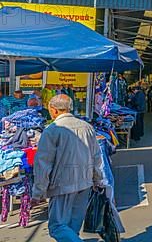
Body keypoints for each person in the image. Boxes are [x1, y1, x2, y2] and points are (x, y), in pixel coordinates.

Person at [32, 95, 104, 242]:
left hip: (62, 183)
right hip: (84, 181)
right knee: (72, 227)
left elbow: (43, 165)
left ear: (54, 110)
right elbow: (96, 157)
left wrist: (38, 192)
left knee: (57, 226)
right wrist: (98, 179)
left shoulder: (52, 130)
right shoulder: (86, 127)